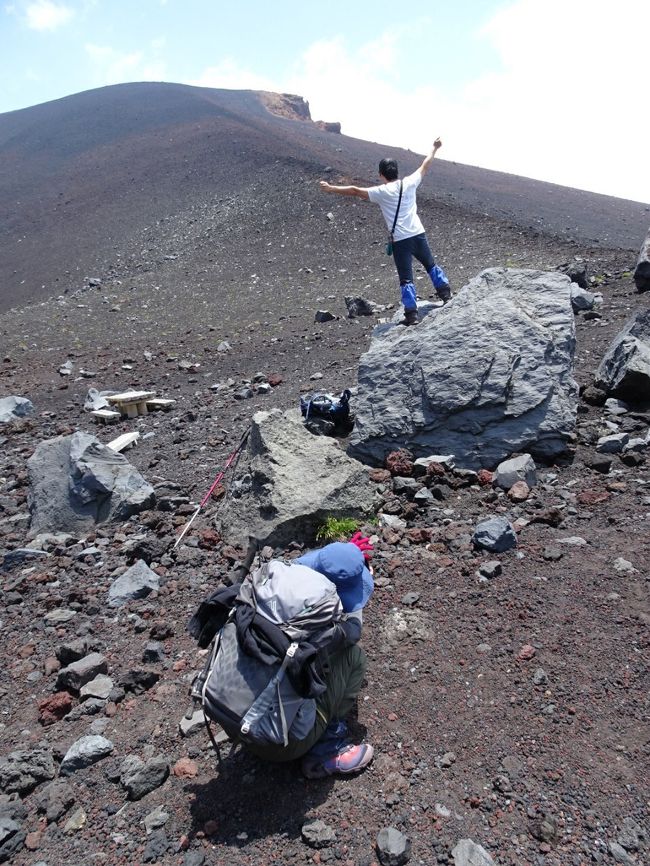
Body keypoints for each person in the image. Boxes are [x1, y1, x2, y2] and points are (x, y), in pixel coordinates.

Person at [245, 536, 375, 778]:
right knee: (353, 658)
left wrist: (344, 559)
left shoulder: (272, 586)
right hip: (278, 743)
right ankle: (326, 747)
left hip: (237, 717)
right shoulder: (324, 627)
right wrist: (353, 582)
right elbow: (353, 630)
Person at [319, 137, 451, 325]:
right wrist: (434, 148)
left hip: (400, 241)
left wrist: (331, 188)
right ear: (396, 172)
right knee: (430, 265)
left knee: (406, 277)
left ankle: (412, 314)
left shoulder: (382, 192)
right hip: (418, 234)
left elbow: (355, 190)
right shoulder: (410, 182)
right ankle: (446, 295)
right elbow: (425, 165)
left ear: (381, 174)